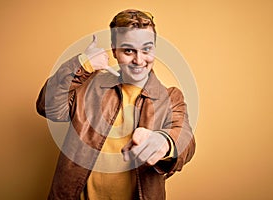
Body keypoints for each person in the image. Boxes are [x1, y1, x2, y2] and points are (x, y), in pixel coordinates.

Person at [36, 9, 195, 200]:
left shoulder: (170, 97)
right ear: (114, 50)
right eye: (128, 50)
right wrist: (81, 65)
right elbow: (48, 106)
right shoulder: (89, 85)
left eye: (146, 49)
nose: (139, 60)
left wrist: (164, 142)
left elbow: (186, 138)